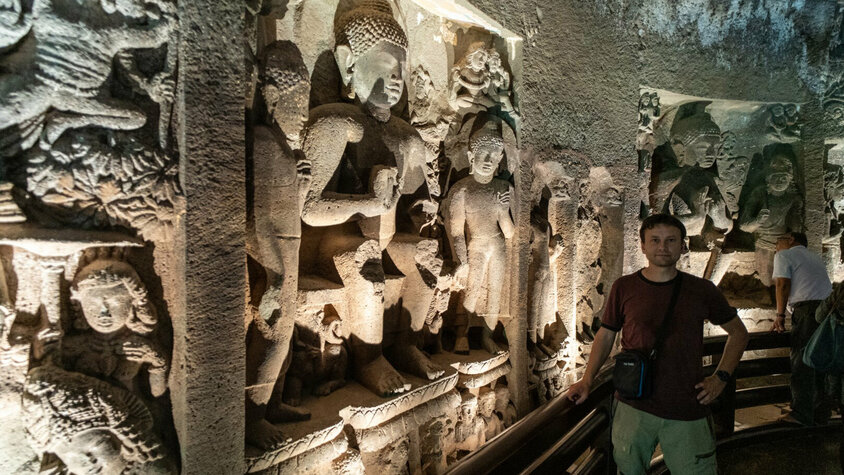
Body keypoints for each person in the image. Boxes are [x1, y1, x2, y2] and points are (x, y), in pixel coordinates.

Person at [565, 213, 749, 475]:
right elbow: (606, 334)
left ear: (682, 245)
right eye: (655, 240)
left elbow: (739, 333)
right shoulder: (624, 287)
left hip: (686, 403)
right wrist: (587, 380)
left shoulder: (702, 290)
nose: (663, 247)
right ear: (643, 246)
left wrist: (721, 378)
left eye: (671, 240)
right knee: (629, 468)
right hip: (634, 403)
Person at [770, 231, 832, 425]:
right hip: (827, 311)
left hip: (807, 311)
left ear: (790, 239)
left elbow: (782, 284)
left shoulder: (784, 255)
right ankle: (821, 412)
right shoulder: (815, 257)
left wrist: (780, 315)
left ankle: (801, 413)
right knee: (820, 361)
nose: (775, 246)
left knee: (802, 361)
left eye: (778, 242)